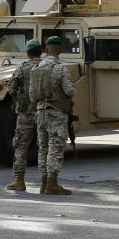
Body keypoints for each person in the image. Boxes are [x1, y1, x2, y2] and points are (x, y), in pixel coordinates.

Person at [30, 36, 76, 195]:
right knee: (55, 148)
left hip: (41, 113)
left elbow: (32, 94)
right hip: (56, 114)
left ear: (46, 50)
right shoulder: (60, 69)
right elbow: (70, 91)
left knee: (42, 148)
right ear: (60, 51)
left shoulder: (36, 68)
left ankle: (43, 183)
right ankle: (52, 183)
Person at [5, 38, 43, 192]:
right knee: (45, 147)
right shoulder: (47, 66)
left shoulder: (22, 68)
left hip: (26, 113)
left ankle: (19, 180)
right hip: (45, 112)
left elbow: (11, 89)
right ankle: (47, 182)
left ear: (27, 53)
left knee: (21, 146)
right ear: (41, 52)